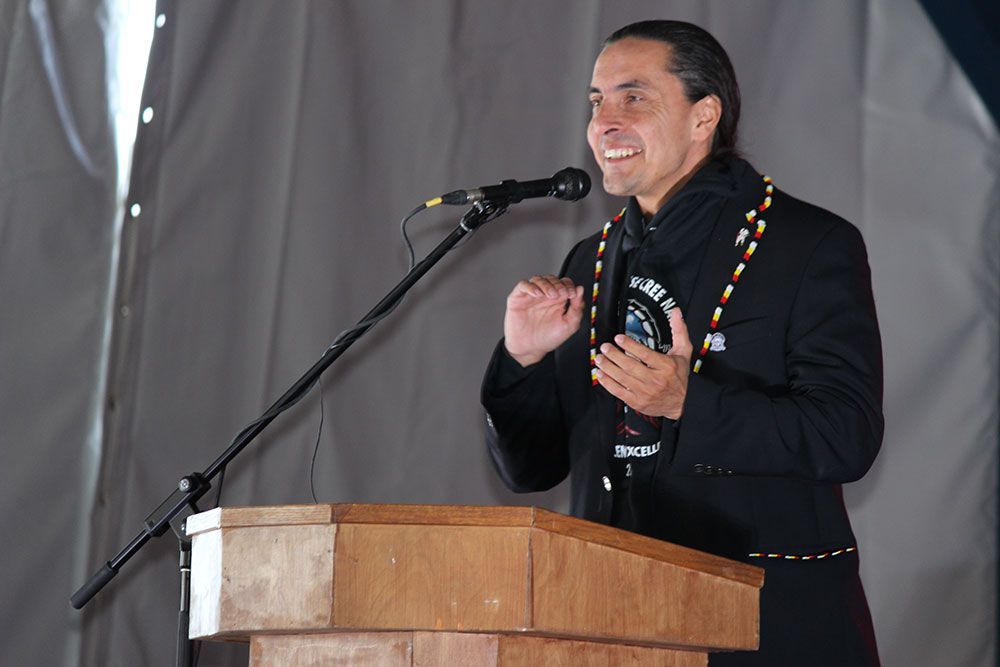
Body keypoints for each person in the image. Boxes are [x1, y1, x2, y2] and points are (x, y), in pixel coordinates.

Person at [481, 20, 883, 666]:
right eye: (595, 102)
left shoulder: (807, 246)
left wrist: (689, 403)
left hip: (766, 629)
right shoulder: (592, 259)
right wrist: (523, 362)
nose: (603, 123)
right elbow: (531, 467)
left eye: (632, 97)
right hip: (609, 622)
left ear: (704, 117)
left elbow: (847, 432)